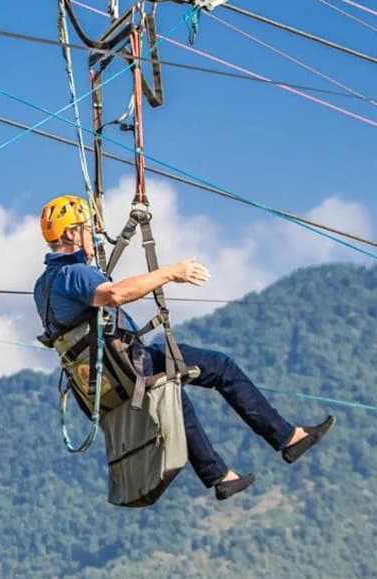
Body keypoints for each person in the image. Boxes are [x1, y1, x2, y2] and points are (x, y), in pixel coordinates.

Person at [33, 195, 334, 500]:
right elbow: (115, 294)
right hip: (129, 364)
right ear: (71, 233)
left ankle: (221, 477)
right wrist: (171, 273)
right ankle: (288, 437)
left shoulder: (43, 285)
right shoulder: (75, 274)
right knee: (220, 367)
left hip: (104, 379)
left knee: (175, 396)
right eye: (87, 229)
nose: (94, 235)